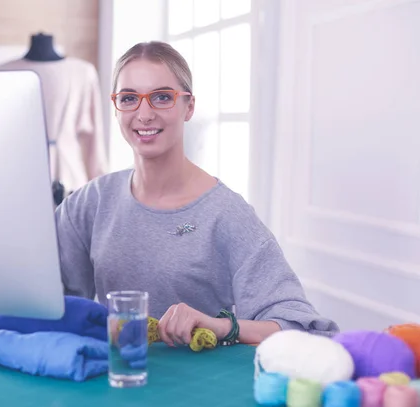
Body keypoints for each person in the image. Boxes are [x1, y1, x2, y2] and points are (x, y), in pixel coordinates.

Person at [54, 41, 339, 348]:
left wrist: (220, 326)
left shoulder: (226, 214)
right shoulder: (90, 202)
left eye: (162, 97)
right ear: (116, 108)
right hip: (113, 381)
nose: (144, 113)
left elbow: (306, 330)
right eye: (129, 98)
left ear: (188, 106)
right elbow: (46, 295)